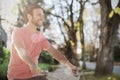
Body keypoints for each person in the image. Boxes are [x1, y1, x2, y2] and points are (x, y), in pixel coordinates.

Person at [7, 3, 78, 80]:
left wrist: (69, 65)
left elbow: (53, 51)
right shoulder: (18, 32)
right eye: (39, 15)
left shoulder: (40, 37)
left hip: (34, 76)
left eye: (42, 15)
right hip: (16, 77)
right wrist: (32, 64)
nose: (42, 18)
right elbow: (21, 50)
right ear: (29, 17)